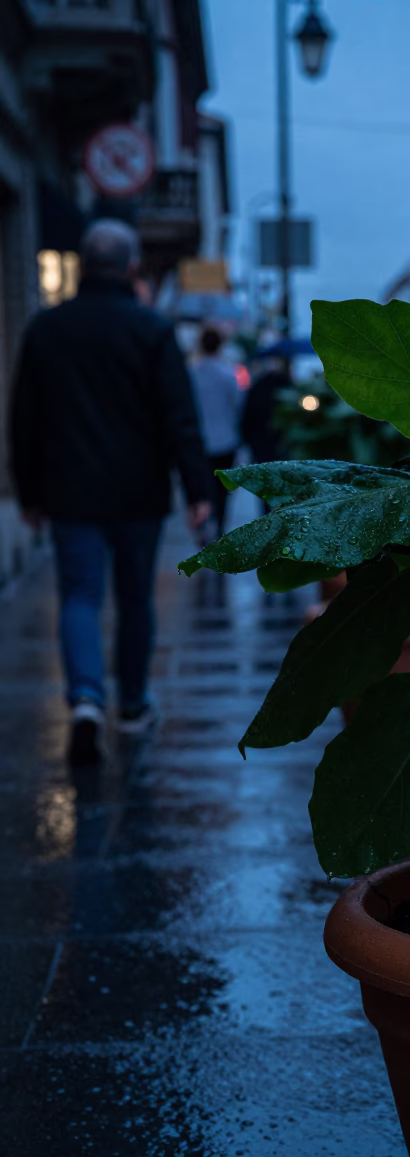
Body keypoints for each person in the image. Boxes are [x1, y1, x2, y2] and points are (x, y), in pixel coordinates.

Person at [9, 219, 212, 765]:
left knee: (79, 594)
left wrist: (28, 491)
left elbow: (24, 419)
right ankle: (133, 705)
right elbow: (179, 417)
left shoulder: (47, 329)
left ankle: (84, 700)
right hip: (137, 492)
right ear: (129, 268)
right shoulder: (149, 329)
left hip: (69, 491)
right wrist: (198, 490)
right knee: (134, 599)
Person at [189, 324, 242, 535]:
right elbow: (237, 407)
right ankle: (219, 530)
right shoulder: (228, 375)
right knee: (221, 493)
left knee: (202, 492)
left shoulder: (192, 374)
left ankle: (204, 530)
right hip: (225, 441)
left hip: (199, 442)